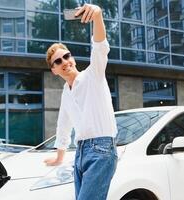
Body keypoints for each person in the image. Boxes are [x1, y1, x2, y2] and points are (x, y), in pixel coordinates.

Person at [44, 3, 118, 200]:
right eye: (58, 61)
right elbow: (64, 124)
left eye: (66, 56)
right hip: (81, 153)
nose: (64, 62)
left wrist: (98, 16)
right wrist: (60, 156)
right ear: (54, 70)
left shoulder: (93, 75)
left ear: (72, 58)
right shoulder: (66, 92)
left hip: (102, 150)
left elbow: (100, 48)